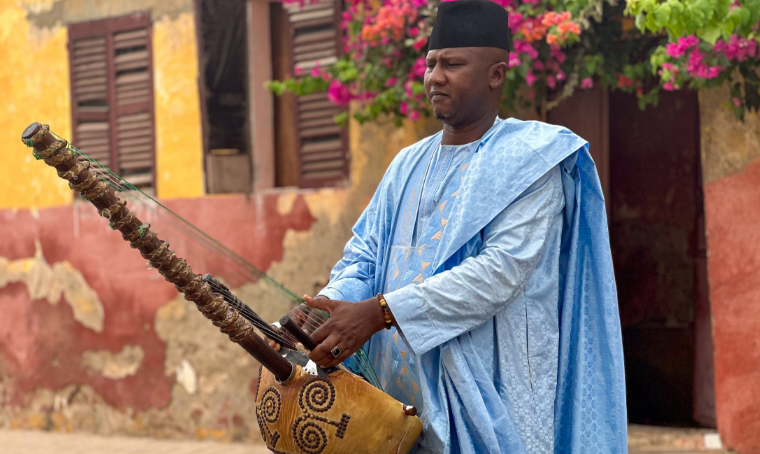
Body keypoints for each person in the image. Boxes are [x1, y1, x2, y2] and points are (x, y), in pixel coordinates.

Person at [282, 1, 627, 452]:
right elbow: (365, 255)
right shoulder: (407, 163)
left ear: (496, 74)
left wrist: (381, 312)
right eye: (431, 64)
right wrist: (330, 306)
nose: (435, 77)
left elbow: (499, 272)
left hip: (492, 396)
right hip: (394, 400)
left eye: (453, 64)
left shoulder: (530, 161)